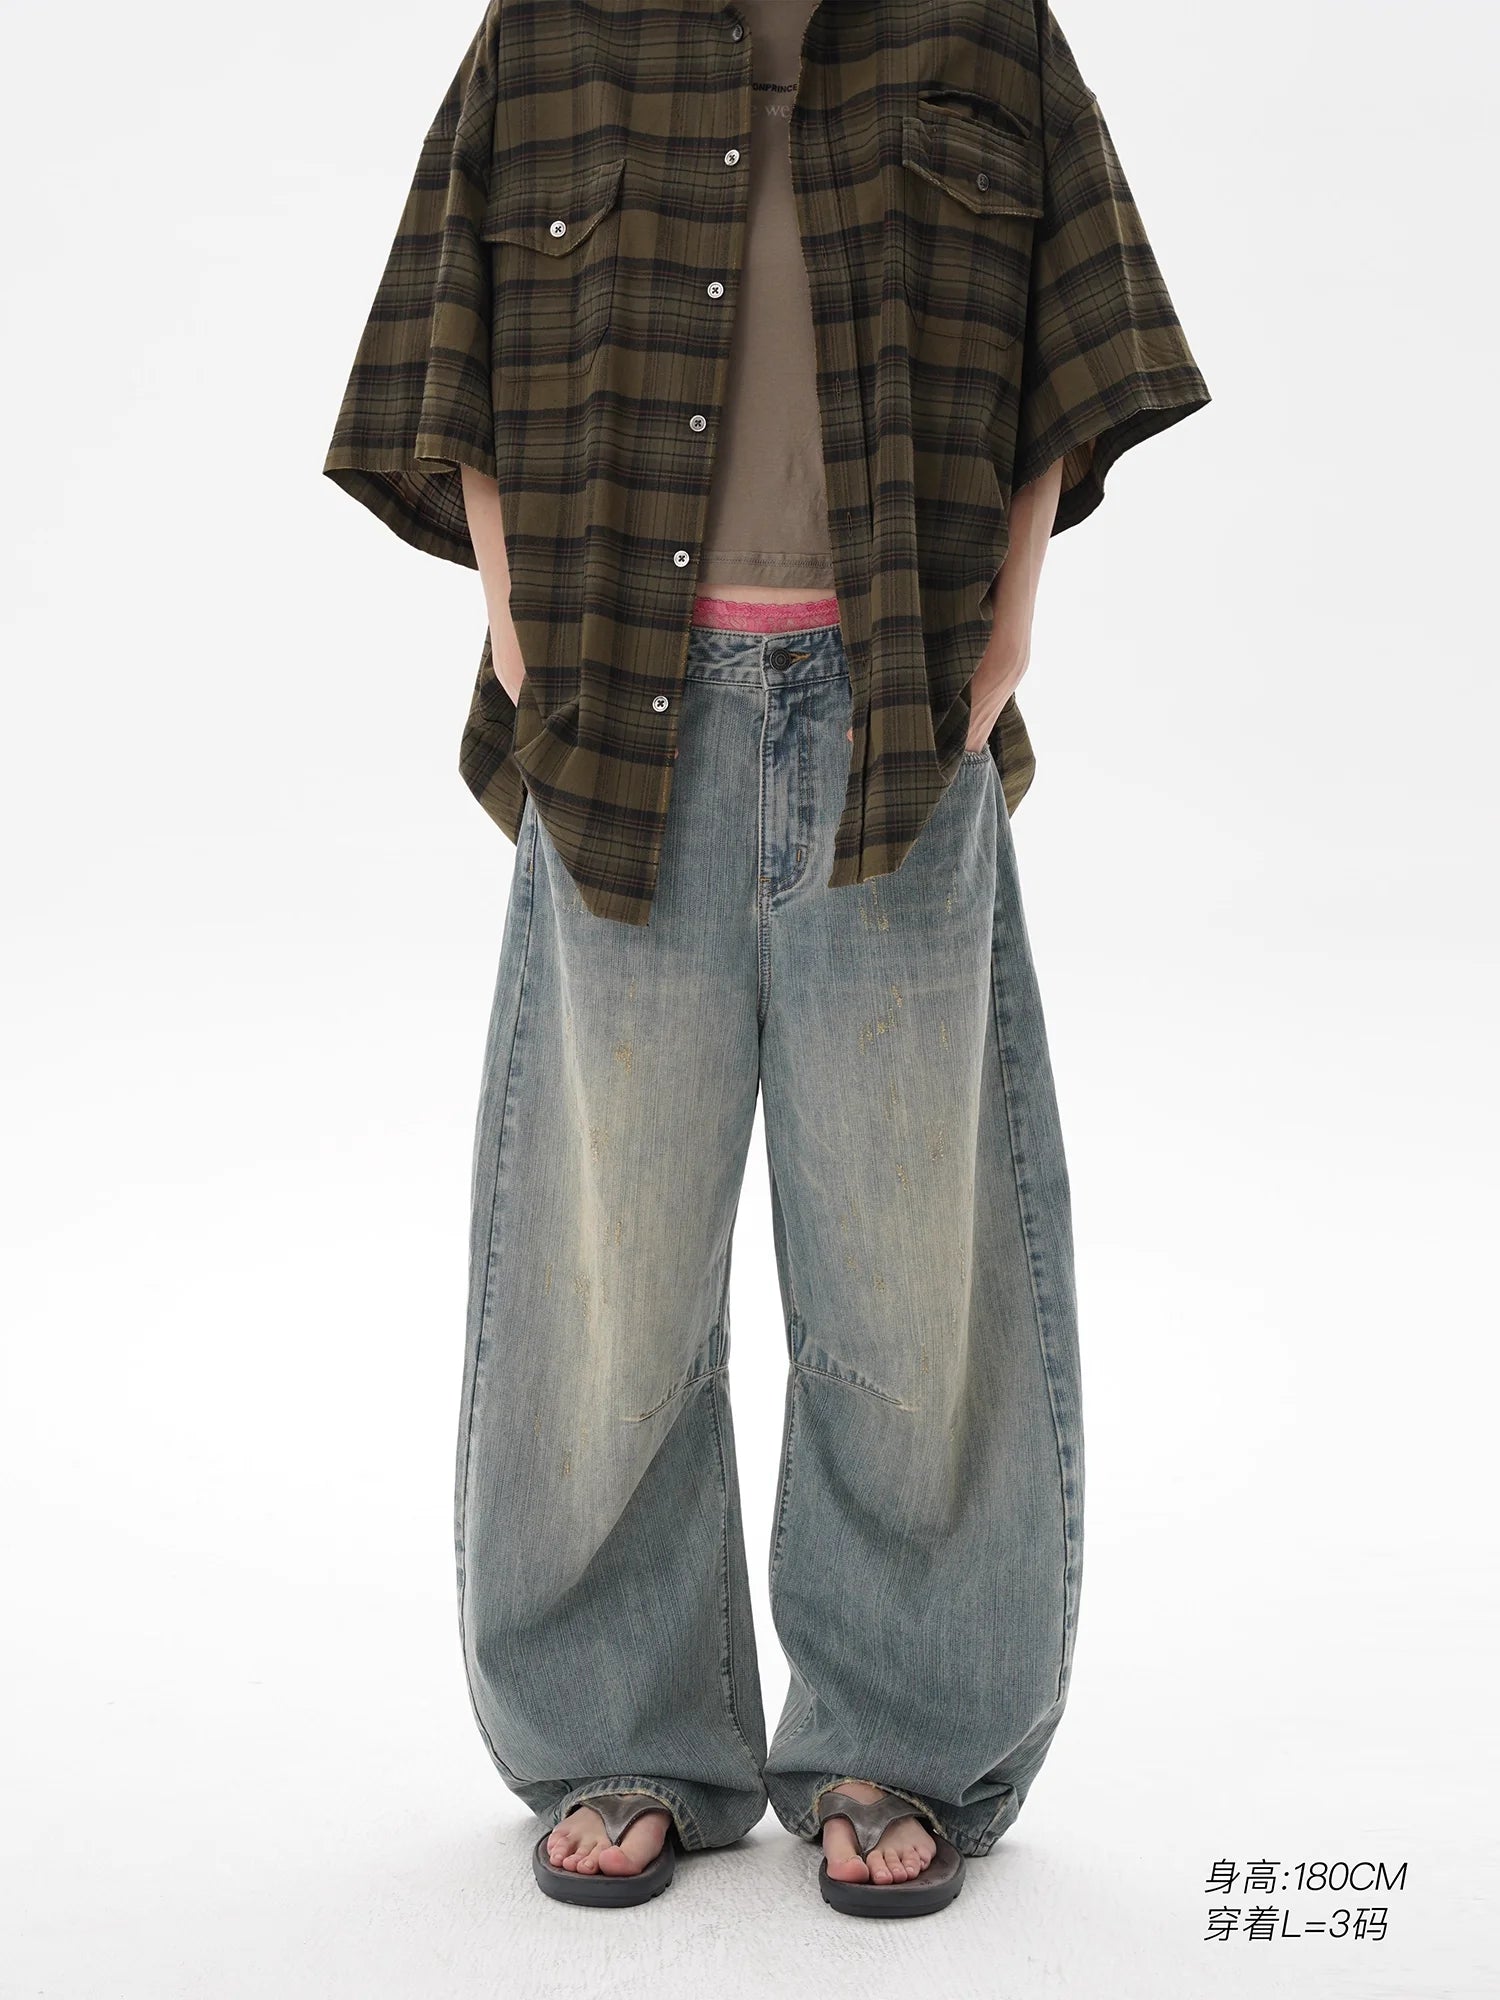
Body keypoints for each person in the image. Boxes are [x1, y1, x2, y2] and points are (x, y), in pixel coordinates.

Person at [323, 0, 1208, 1919]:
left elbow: (1077, 346)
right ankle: (620, 1728)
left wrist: (1010, 626)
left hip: (898, 713)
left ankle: (905, 1734)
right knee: (607, 1265)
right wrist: (515, 624)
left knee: (911, 1265)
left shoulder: (985, 27)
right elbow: (443, 353)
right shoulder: (551, 32)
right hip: (620, 722)